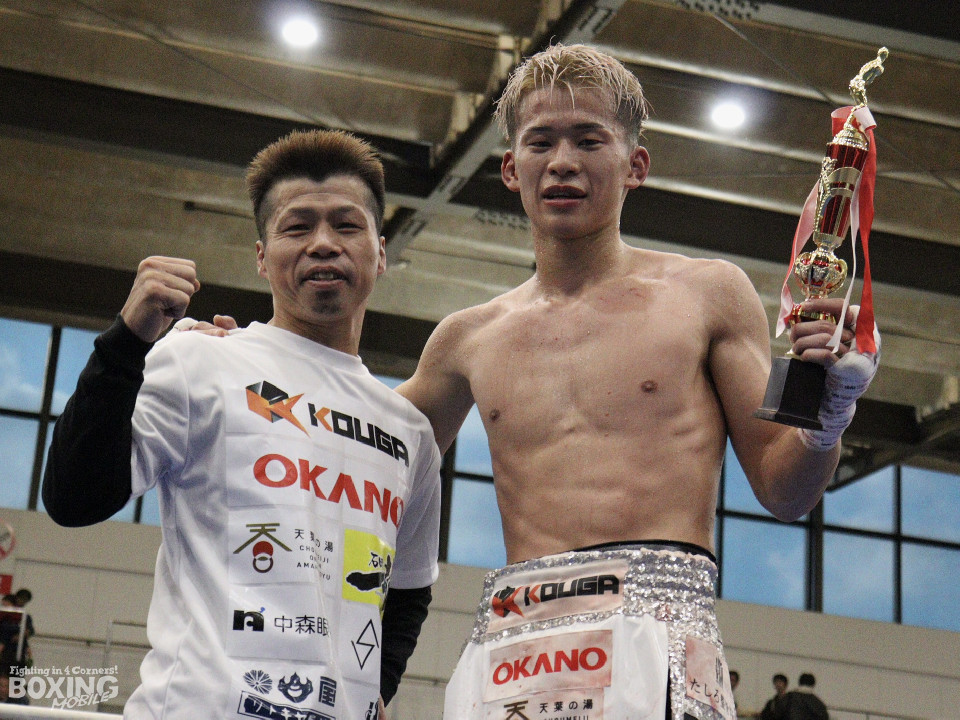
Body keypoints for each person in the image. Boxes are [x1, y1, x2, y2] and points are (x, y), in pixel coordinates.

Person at [191, 44, 879, 720]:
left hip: (656, 635)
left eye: (589, 140)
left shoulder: (708, 295)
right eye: (541, 142)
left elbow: (784, 491)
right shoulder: (467, 338)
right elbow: (350, 446)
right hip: (513, 648)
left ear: (635, 165)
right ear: (510, 169)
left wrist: (830, 415)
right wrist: (247, 363)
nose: (563, 161)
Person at [42, 129, 442, 720]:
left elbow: (408, 587)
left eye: (346, 225)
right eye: (297, 227)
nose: (323, 244)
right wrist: (125, 342)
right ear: (262, 256)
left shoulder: (410, 434)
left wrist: (371, 692)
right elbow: (74, 498)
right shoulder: (200, 360)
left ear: (380, 253)